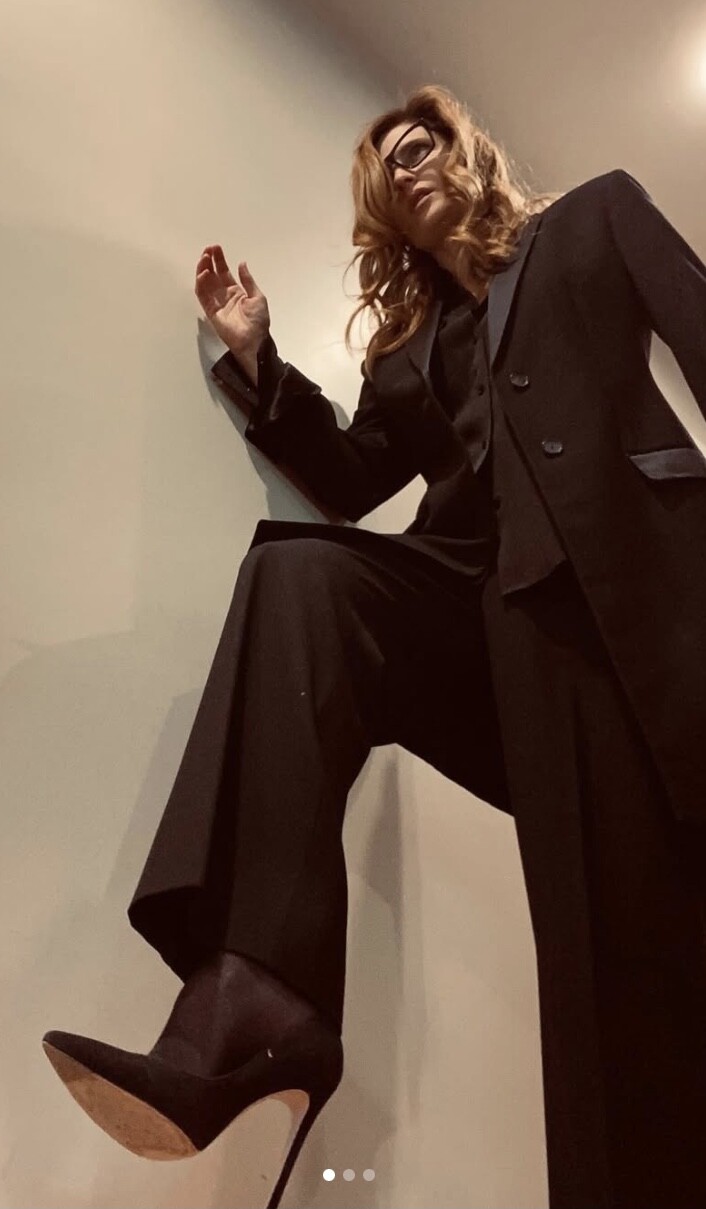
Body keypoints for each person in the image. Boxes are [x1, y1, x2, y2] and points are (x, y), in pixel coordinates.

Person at [42, 85, 706, 1209]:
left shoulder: (597, 218)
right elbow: (351, 482)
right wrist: (258, 359)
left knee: (639, 968)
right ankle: (256, 1002)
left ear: (466, 152)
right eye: (387, 165)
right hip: (510, 654)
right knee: (300, 576)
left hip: (657, 618)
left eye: (421, 142)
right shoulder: (409, 357)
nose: (407, 165)